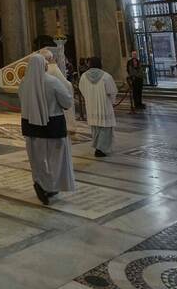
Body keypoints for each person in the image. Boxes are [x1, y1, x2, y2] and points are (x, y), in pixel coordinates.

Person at [18, 54, 75, 205]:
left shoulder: (24, 82)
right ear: (43, 66)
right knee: (55, 159)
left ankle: (41, 183)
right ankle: (50, 186)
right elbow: (67, 101)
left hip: (31, 126)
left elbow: (22, 101)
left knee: (37, 159)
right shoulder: (52, 81)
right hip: (53, 126)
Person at [79, 56, 116, 157]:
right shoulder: (106, 76)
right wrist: (112, 102)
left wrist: (89, 97)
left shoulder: (83, 77)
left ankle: (97, 147)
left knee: (95, 127)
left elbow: (82, 90)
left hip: (91, 105)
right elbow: (112, 91)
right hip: (104, 105)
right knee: (105, 127)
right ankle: (102, 149)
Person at [39, 49, 76, 134]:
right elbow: (65, 85)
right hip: (54, 107)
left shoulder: (36, 71)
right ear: (50, 58)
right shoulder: (53, 68)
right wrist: (70, 85)